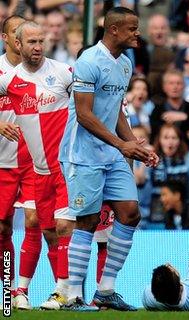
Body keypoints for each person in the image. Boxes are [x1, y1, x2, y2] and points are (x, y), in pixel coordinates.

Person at [59, 7, 159, 311]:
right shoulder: (88, 61)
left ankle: (106, 290)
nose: (136, 33)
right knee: (87, 220)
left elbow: (115, 109)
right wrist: (122, 145)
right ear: (113, 30)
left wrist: (134, 145)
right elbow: (85, 115)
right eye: (131, 28)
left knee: (130, 212)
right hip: (83, 153)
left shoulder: (126, 64)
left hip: (112, 152)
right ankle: (72, 296)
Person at [0, 20, 77, 311]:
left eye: (41, 41)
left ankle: (64, 290)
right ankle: (12, 291)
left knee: (59, 225)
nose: (38, 47)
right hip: (24, 167)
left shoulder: (63, 72)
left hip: (61, 166)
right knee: (36, 230)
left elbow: (87, 104)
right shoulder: (9, 79)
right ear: (16, 43)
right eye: (31, 42)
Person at [0, 14, 41, 310]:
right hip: (2, 162)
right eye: (15, 32)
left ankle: (21, 291)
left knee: (34, 220)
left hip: (33, 162)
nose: (19, 38)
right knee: (2, 229)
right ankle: (6, 288)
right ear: (6, 38)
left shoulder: (42, 71)